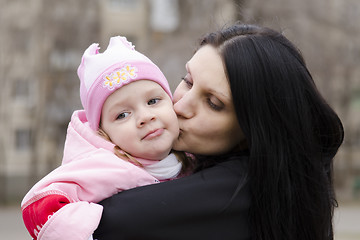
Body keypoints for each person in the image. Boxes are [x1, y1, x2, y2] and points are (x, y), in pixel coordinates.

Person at [92, 24, 344, 240]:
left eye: (213, 103)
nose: (179, 106)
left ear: (254, 131)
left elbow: (112, 220)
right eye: (188, 81)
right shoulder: (283, 188)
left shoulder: (239, 192)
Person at [21, 36, 191, 240]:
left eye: (153, 101)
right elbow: (39, 206)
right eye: (122, 115)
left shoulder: (196, 154)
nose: (145, 117)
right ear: (104, 133)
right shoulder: (105, 166)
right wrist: (95, 228)